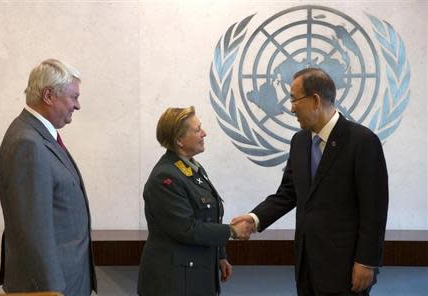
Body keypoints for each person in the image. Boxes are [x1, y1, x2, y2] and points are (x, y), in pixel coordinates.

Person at [232, 68, 388, 296]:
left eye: (294, 99)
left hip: (346, 269)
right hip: (306, 267)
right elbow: (287, 194)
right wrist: (254, 219)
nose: (291, 107)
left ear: (315, 100)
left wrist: (366, 261)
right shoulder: (300, 142)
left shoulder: (362, 141)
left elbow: (374, 208)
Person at [0, 59, 97, 295]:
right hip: (53, 286)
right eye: (73, 97)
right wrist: (50, 291)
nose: (78, 105)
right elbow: (33, 230)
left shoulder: (38, 136)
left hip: (67, 279)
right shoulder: (27, 143)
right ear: (49, 95)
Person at [137, 106, 252, 296]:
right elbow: (186, 228)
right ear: (179, 140)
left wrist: (220, 256)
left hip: (193, 275)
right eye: (197, 130)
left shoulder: (192, 168)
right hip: (173, 283)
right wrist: (231, 231)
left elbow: (208, 217)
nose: (204, 133)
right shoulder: (166, 177)